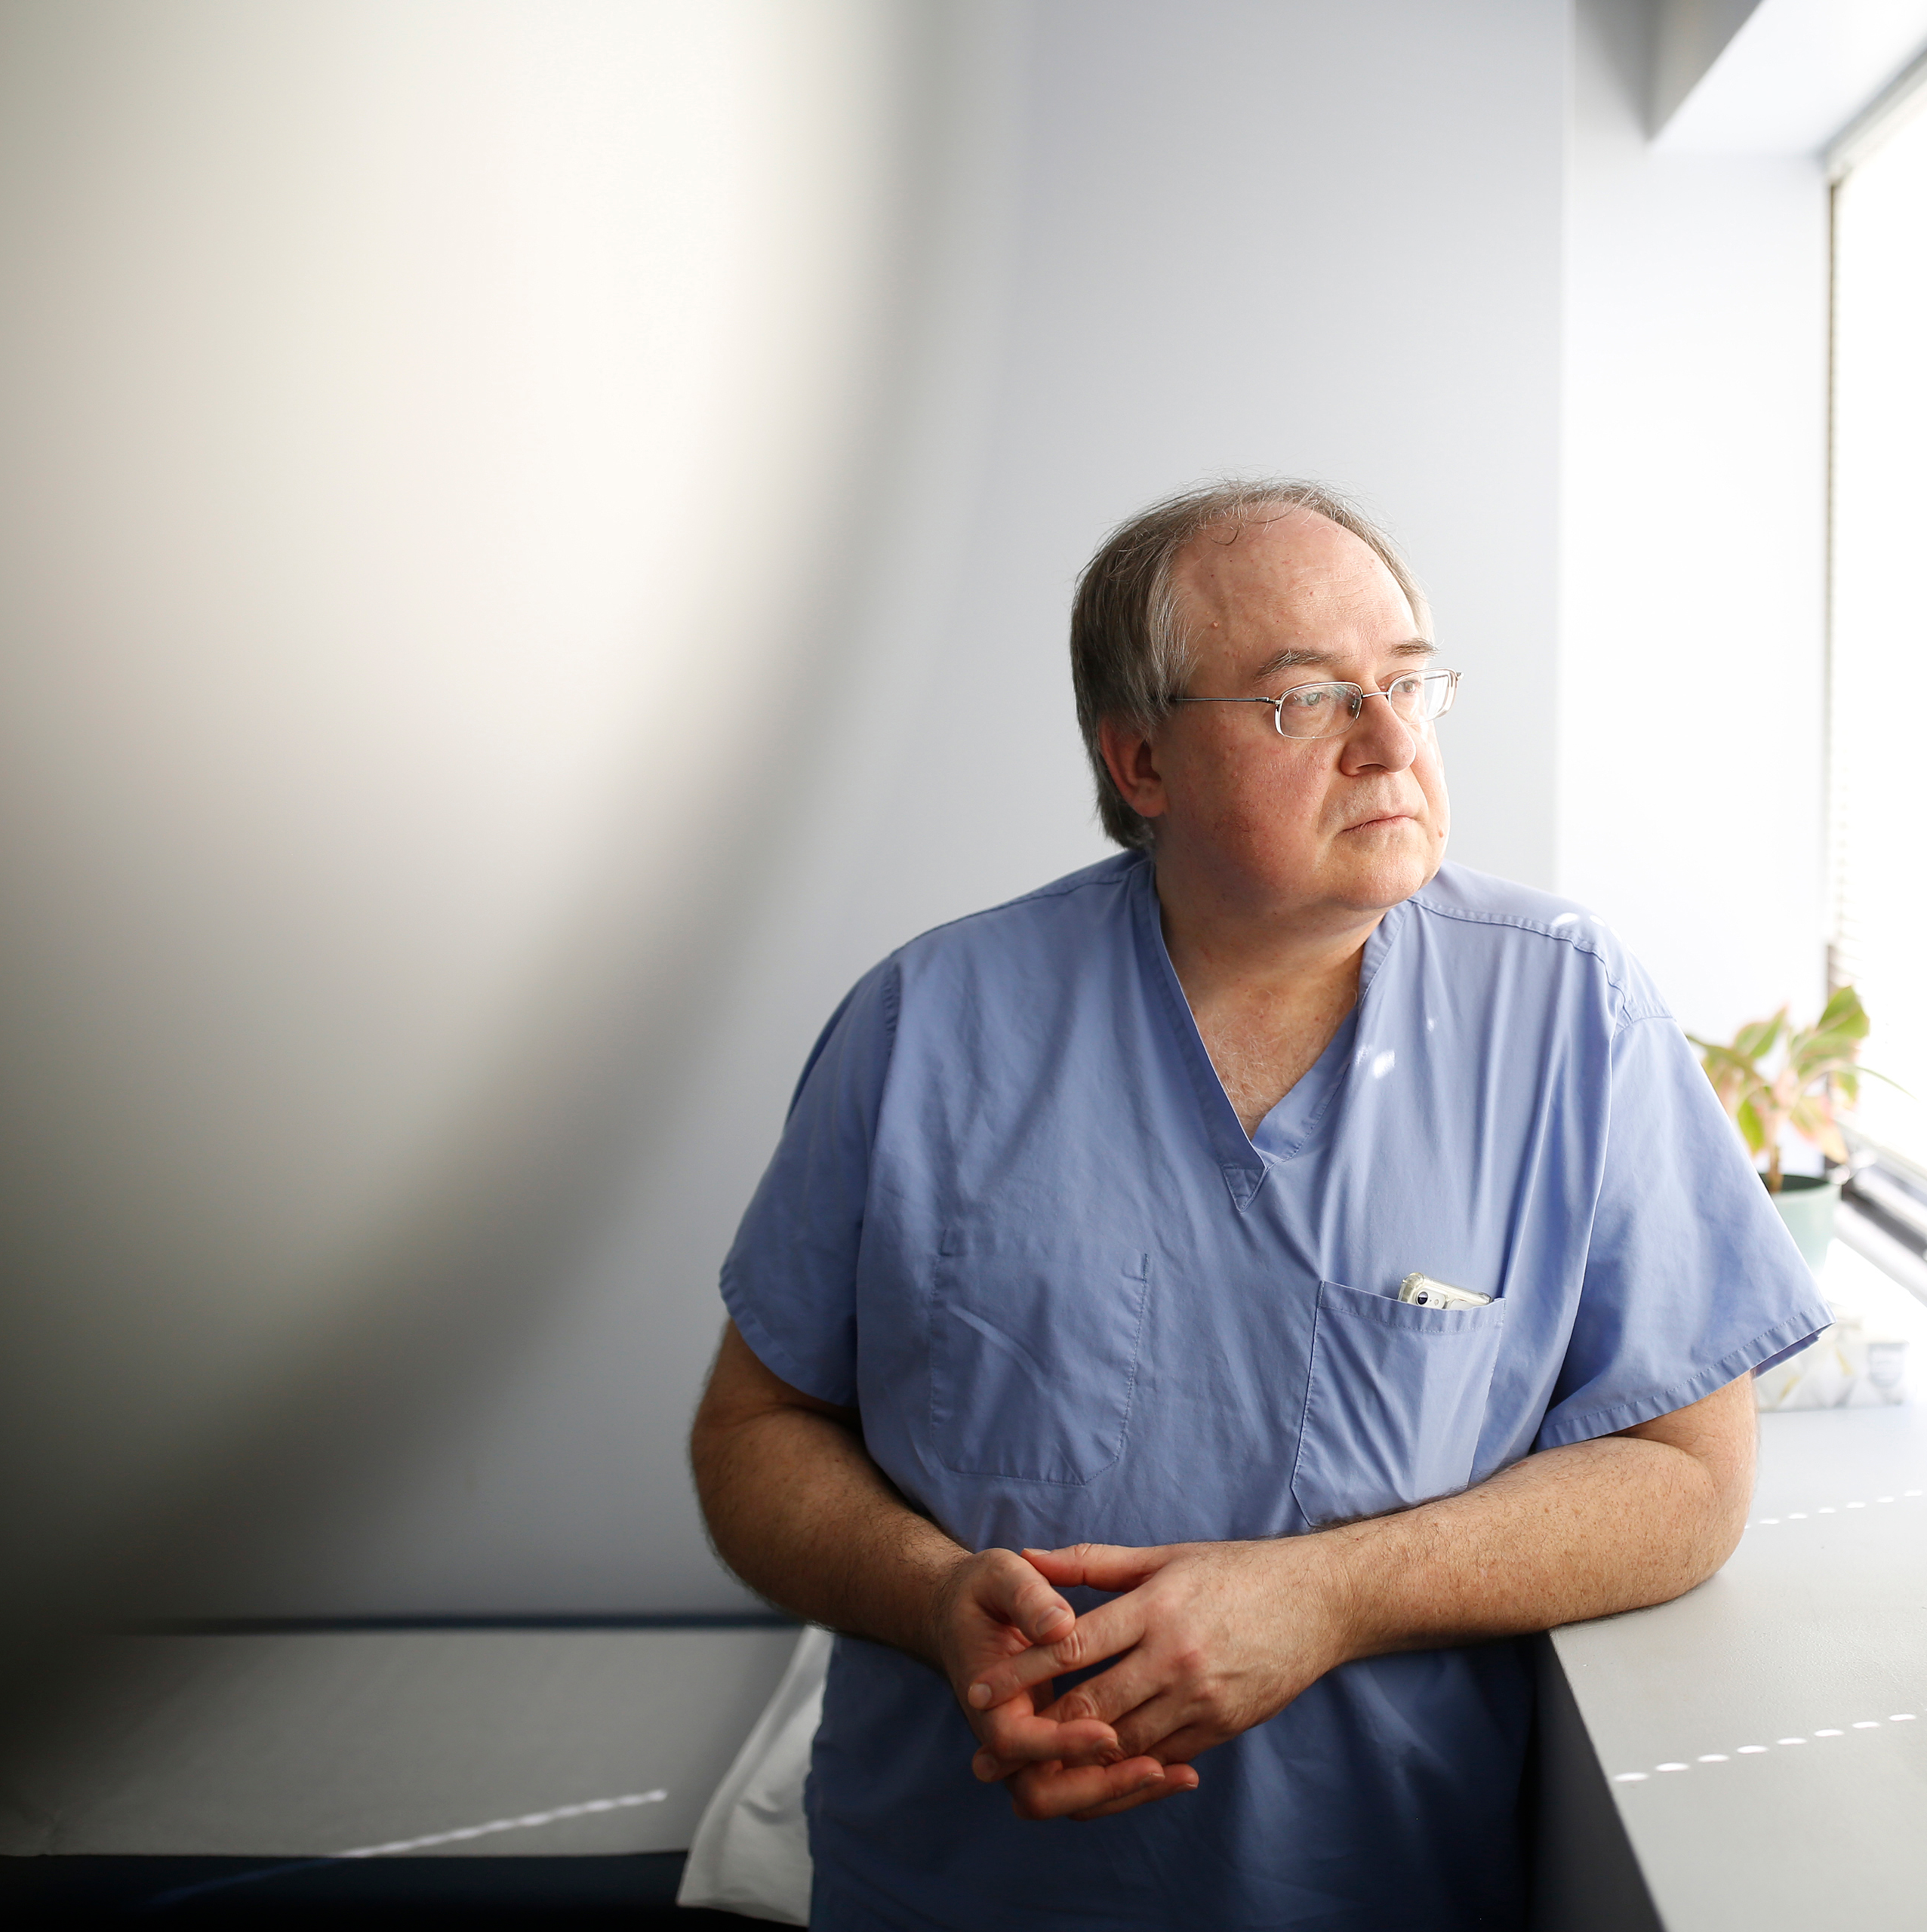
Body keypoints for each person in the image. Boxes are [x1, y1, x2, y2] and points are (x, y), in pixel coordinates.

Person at [689, 479, 1827, 1929]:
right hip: (953, 1883)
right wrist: (926, 1600)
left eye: (1410, 682)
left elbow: (1691, 1479)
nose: (1393, 742)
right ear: (1142, 761)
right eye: (1307, 702)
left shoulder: (1563, 1012)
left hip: (1376, 1889)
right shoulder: (926, 1026)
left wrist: (1328, 1597)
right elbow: (755, 1432)